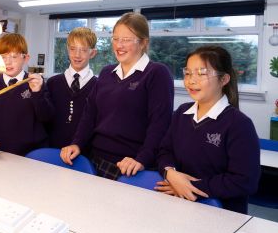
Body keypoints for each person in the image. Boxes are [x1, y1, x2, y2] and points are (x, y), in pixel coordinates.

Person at [61, 12, 174, 179]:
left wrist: (142, 159)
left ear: (143, 42)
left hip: (130, 167)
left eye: (126, 40)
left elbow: (160, 124)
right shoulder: (107, 72)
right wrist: (77, 143)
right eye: (115, 39)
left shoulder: (156, 73)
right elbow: (90, 114)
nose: (119, 45)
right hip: (93, 160)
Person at [155, 46, 260, 214]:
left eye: (201, 73)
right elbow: (164, 151)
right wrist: (170, 174)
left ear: (224, 79)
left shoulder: (239, 124)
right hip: (179, 207)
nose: (191, 80)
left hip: (222, 214)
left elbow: (244, 181)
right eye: (188, 73)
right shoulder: (181, 113)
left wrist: (188, 187)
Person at [0, 33, 48, 163]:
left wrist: (37, 93)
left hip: (30, 157)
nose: (8, 62)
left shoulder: (36, 83)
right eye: (3, 57)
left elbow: (47, 118)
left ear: (26, 58)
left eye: (14, 56)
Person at [44, 27, 98, 148]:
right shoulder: (53, 83)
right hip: (52, 150)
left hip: (85, 152)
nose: (77, 55)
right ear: (68, 50)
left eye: (83, 50)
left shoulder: (98, 86)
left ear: (93, 53)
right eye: (73, 49)